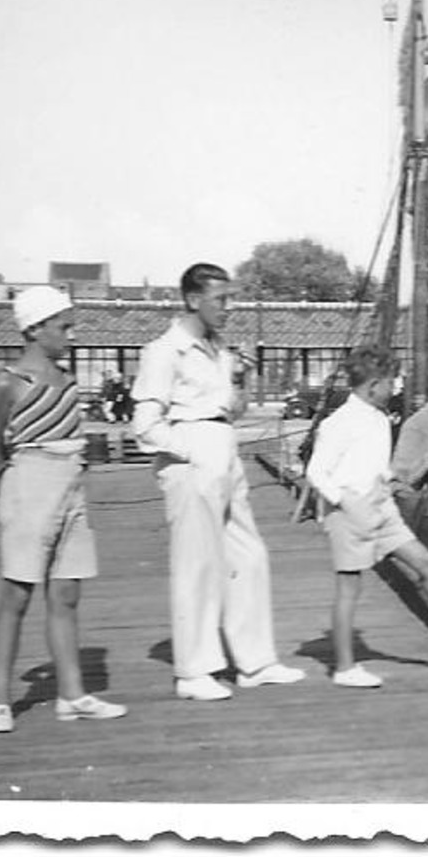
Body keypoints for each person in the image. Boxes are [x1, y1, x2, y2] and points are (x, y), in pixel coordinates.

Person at [131, 263, 305, 700]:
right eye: (221, 299)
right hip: (192, 453)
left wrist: (240, 380)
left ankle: (255, 662)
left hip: (224, 447)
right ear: (193, 299)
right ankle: (193, 672)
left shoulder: (219, 350)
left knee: (249, 556)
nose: (229, 307)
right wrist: (192, 451)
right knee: (197, 563)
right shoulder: (165, 351)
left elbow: (232, 408)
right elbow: (144, 425)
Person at [305, 344, 428, 688]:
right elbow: (316, 472)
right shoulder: (339, 423)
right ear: (373, 385)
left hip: (381, 505)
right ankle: (345, 669)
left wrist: (387, 479)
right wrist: (345, 501)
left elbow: (370, 463)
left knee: (424, 562)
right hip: (350, 510)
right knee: (349, 587)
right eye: (391, 381)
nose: (395, 387)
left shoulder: (379, 419)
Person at [0, 286, 127, 733]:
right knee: (18, 593)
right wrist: (9, 494)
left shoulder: (67, 379)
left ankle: (72, 695)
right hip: (29, 483)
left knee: (66, 593)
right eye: (64, 327)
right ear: (35, 328)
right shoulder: (8, 381)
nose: (72, 334)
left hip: (72, 486)